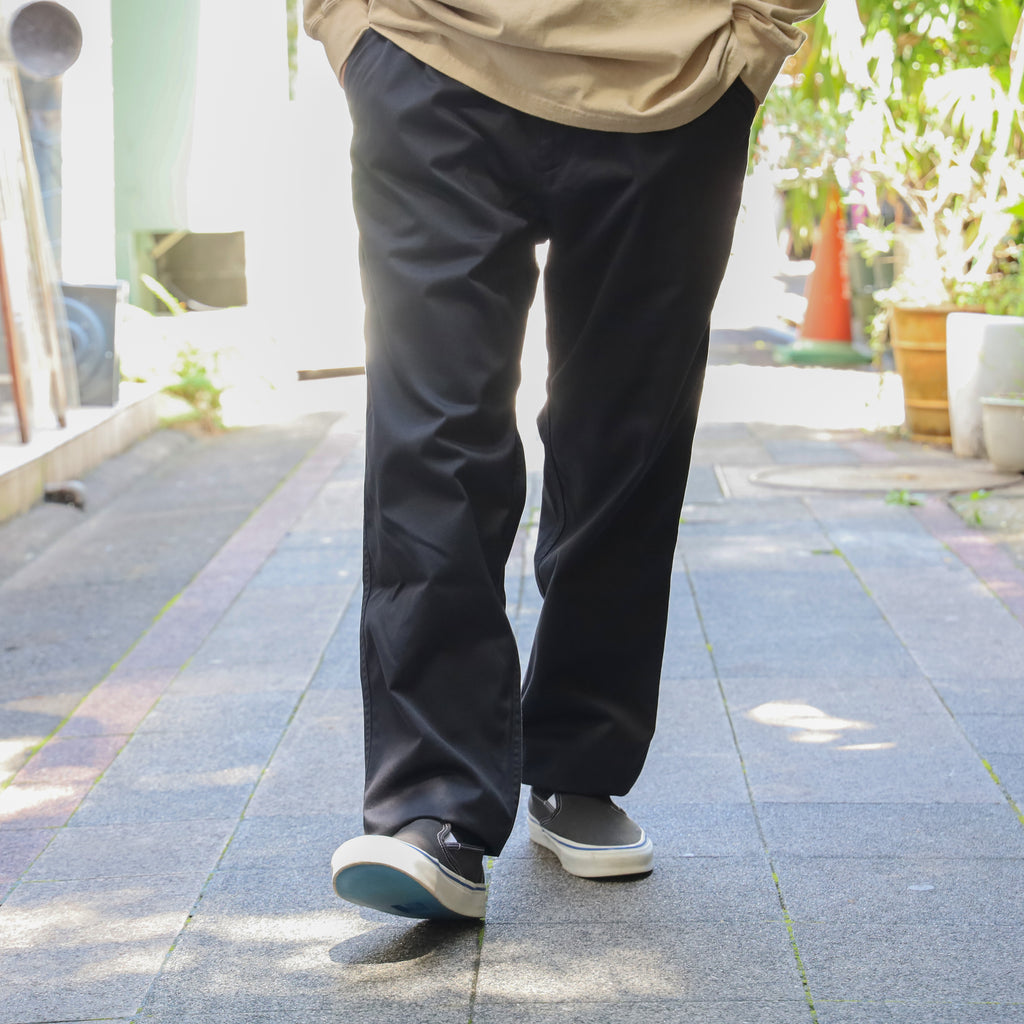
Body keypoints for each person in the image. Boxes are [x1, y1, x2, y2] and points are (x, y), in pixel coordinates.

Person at [303, 0, 823, 921]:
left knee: (624, 441)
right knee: (434, 434)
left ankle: (579, 765)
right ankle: (432, 808)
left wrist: (755, 39)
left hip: (678, 77)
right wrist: (352, 22)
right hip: (431, 49)